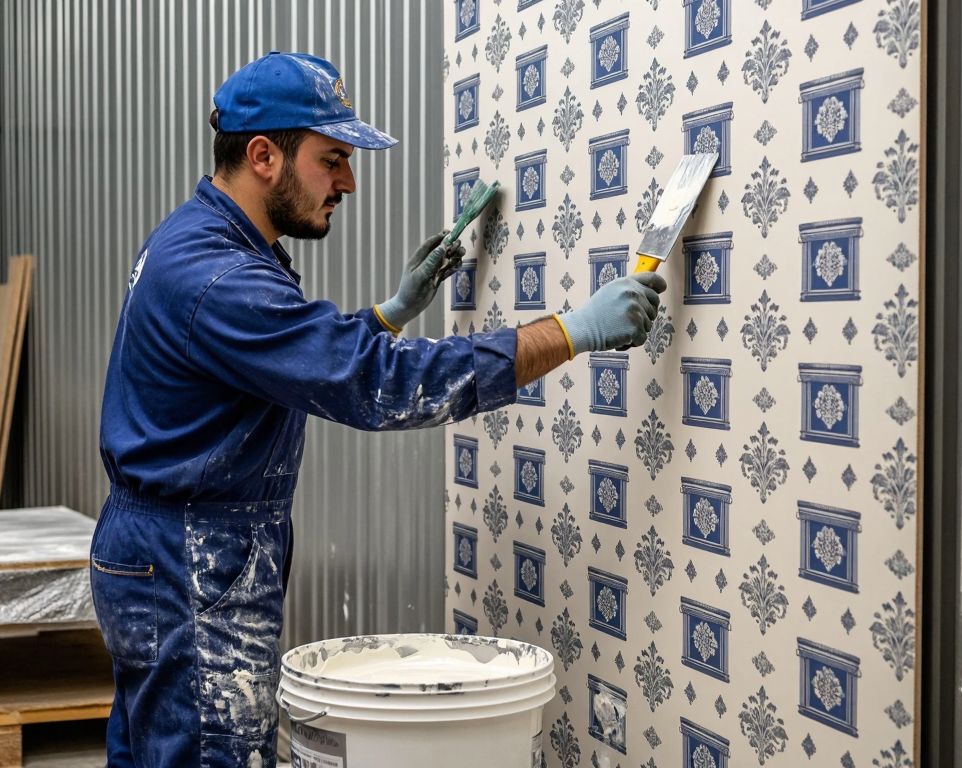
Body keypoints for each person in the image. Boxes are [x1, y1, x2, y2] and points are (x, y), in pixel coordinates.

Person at [91, 51, 667, 768]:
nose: (349, 181)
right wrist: (570, 332)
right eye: (331, 159)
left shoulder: (206, 242)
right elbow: (372, 385)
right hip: (187, 560)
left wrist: (388, 315)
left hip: (166, 549)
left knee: (156, 750)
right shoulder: (217, 274)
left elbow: (285, 358)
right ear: (265, 155)